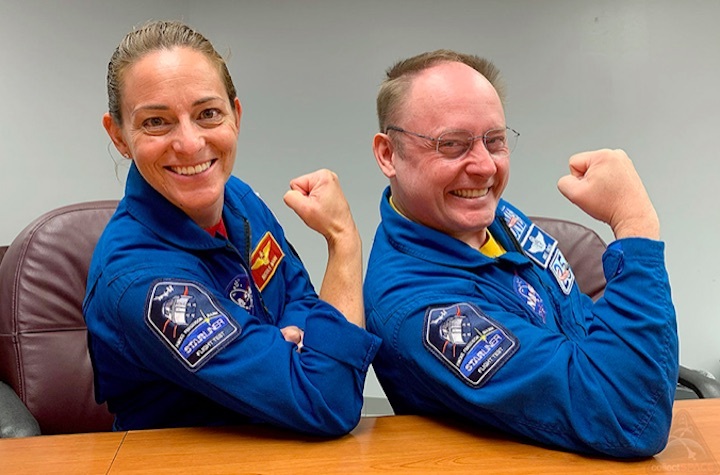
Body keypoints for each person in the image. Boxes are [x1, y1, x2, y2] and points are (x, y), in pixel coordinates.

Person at [364, 49, 678, 457]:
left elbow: (573, 315)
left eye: (494, 140)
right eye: (452, 144)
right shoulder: (420, 310)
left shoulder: (486, 218)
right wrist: (635, 223)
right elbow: (631, 419)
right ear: (389, 155)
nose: (484, 167)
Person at [83, 20, 380, 436]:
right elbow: (327, 398)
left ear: (235, 116)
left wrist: (279, 348)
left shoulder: (237, 197)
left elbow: (301, 300)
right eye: (156, 122)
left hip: (281, 447)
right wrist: (343, 239)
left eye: (208, 114)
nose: (189, 143)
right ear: (118, 136)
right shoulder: (138, 280)